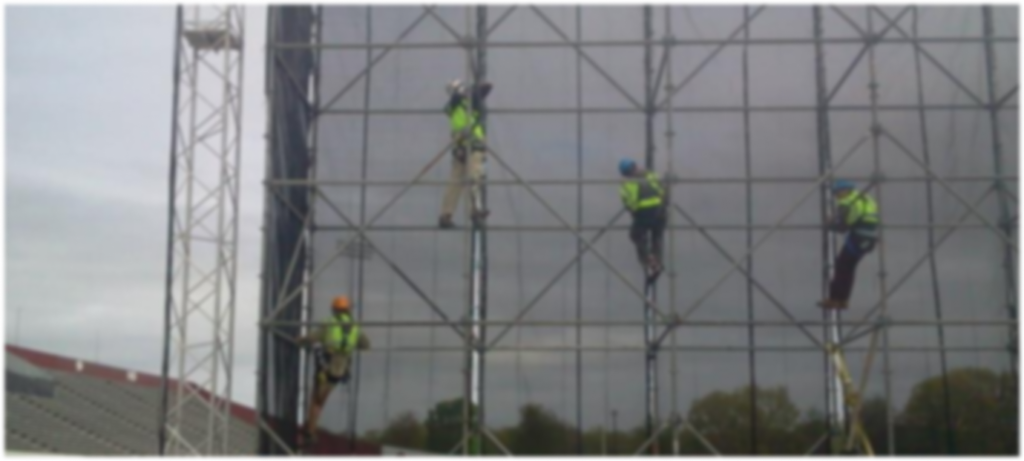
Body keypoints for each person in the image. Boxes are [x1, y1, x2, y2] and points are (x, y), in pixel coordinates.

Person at [296, 295, 370, 444]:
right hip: (341, 368)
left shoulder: (329, 323)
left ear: (334, 309)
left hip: (326, 364)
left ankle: (310, 432)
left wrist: (300, 340)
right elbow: (366, 345)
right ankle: (310, 430)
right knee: (321, 400)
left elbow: (312, 338)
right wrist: (349, 345)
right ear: (348, 310)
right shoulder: (355, 327)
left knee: (316, 400)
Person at [439, 78, 493, 229]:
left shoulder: (458, 106)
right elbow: (481, 91)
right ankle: (475, 212)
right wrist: (470, 90)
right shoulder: (463, 103)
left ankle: (446, 215)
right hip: (473, 145)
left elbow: (485, 89)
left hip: (460, 147)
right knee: (473, 179)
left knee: (455, 182)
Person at [819, 180, 879, 309]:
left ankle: (835, 299)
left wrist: (829, 224)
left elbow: (843, 226)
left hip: (857, 238)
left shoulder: (847, 203)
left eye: (837, 193)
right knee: (848, 268)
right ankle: (842, 300)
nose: (836, 196)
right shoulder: (865, 198)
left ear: (845, 190)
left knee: (842, 267)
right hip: (869, 239)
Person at [618, 158, 667, 279]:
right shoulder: (652, 175)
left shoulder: (628, 183)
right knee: (657, 236)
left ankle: (649, 261)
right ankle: (657, 261)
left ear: (625, 173)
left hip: (644, 213)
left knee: (636, 235)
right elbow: (663, 190)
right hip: (660, 212)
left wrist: (633, 212)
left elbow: (629, 203)